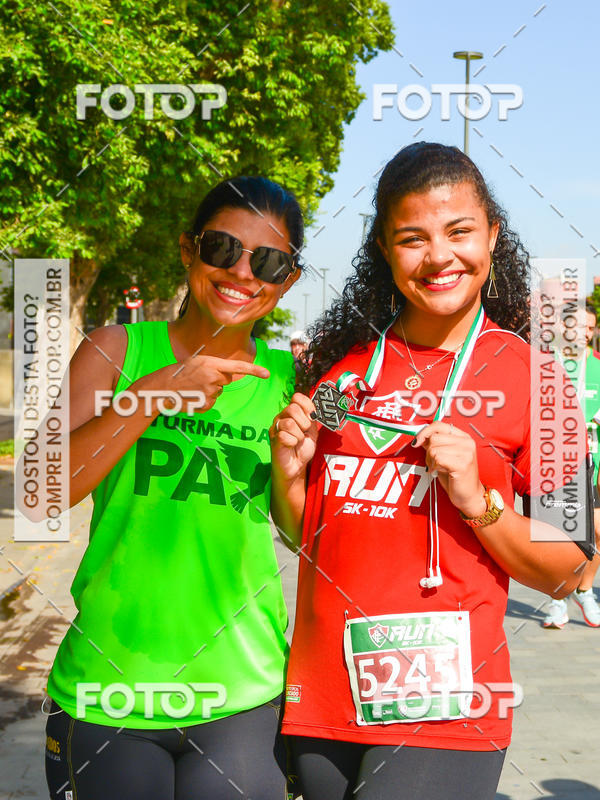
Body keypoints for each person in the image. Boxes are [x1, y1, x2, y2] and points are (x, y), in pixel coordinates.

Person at [269, 142, 591, 800]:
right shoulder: (344, 373)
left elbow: (576, 568)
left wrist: (479, 501)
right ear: (384, 250)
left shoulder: (543, 383)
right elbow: (311, 537)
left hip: (445, 701)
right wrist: (289, 474)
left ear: (493, 236)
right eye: (412, 238)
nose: (439, 256)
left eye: (459, 230)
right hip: (324, 694)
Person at [41, 176, 303, 799]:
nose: (242, 272)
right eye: (222, 249)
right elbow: (40, 495)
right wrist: (151, 397)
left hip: (242, 692)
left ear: (287, 280)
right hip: (110, 687)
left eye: (267, 261)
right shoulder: (115, 350)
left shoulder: (292, 379)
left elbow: (299, 535)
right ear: (188, 250)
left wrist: (294, 471)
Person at [543, 303, 600, 628]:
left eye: (590, 328)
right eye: (579, 327)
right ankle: (556, 600)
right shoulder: (546, 365)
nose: (585, 333)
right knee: (560, 535)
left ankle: (585, 588)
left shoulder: (597, 367)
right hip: (555, 464)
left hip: (593, 463)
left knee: (596, 531)